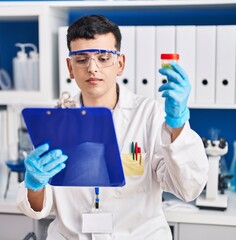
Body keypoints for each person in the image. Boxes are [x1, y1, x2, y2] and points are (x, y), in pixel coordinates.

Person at [17, 14, 208, 239]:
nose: (92, 68)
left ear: (120, 63)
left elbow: (188, 188)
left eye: (103, 57)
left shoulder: (148, 114)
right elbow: (39, 208)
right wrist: (35, 183)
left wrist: (178, 124)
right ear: (70, 67)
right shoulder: (55, 120)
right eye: (81, 59)